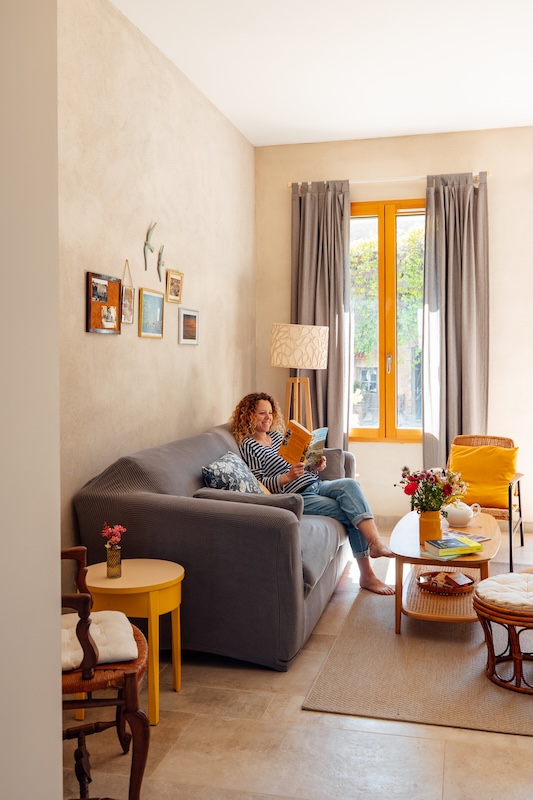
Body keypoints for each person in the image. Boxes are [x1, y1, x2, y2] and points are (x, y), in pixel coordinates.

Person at [230, 392, 394, 595]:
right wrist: (287, 477)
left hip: (316, 483)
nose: (268, 417)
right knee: (350, 512)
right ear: (248, 415)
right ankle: (367, 575)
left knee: (350, 485)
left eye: (270, 413)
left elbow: (300, 462)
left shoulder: (277, 436)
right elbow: (260, 483)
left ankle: (375, 542)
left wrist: (314, 465)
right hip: (298, 496)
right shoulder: (249, 445)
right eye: (262, 413)